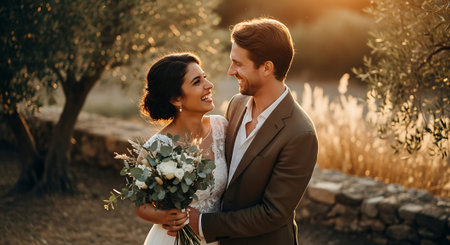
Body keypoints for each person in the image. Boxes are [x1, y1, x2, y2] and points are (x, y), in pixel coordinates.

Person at [166, 17, 318, 244]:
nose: (230, 71)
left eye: (238, 64)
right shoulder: (236, 104)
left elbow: (272, 213)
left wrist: (202, 224)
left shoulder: (300, 134)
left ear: (267, 68)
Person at [135, 53, 228, 245]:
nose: (209, 85)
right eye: (197, 82)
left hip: (216, 237)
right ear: (177, 99)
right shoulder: (157, 147)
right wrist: (165, 217)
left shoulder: (222, 128)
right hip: (174, 239)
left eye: (205, 77)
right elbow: (140, 204)